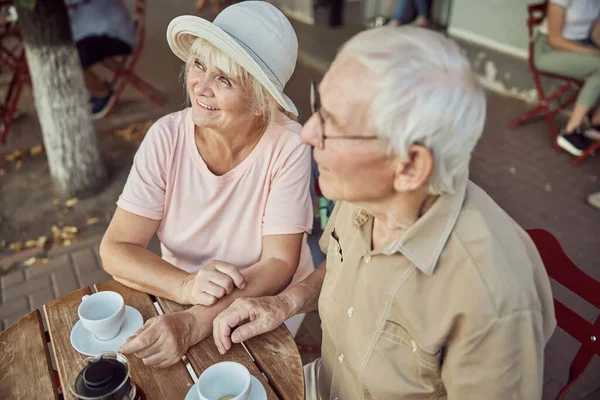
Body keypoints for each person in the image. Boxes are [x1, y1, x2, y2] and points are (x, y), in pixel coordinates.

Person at [212, 27, 557, 399]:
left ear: (409, 167)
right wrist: (284, 303)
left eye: (334, 125)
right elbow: (342, 265)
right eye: (318, 106)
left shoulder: (491, 296)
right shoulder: (368, 192)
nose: (307, 134)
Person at [100, 2, 314, 367]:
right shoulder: (166, 137)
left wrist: (195, 322)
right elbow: (116, 248)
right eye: (199, 64)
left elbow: (279, 262)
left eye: (225, 79)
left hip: (263, 303)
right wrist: (186, 286)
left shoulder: (288, 145)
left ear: (261, 102)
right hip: (178, 294)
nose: (201, 86)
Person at [536, 0, 600, 156]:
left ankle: (595, 124)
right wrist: (594, 54)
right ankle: (569, 131)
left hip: (579, 46)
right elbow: (555, 40)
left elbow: (595, 35)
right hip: (550, 50)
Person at [65, 0, 136, 119]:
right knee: (64, 55)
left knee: (67, 62)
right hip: (96, 32)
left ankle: (102, 93)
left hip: (111, 35)